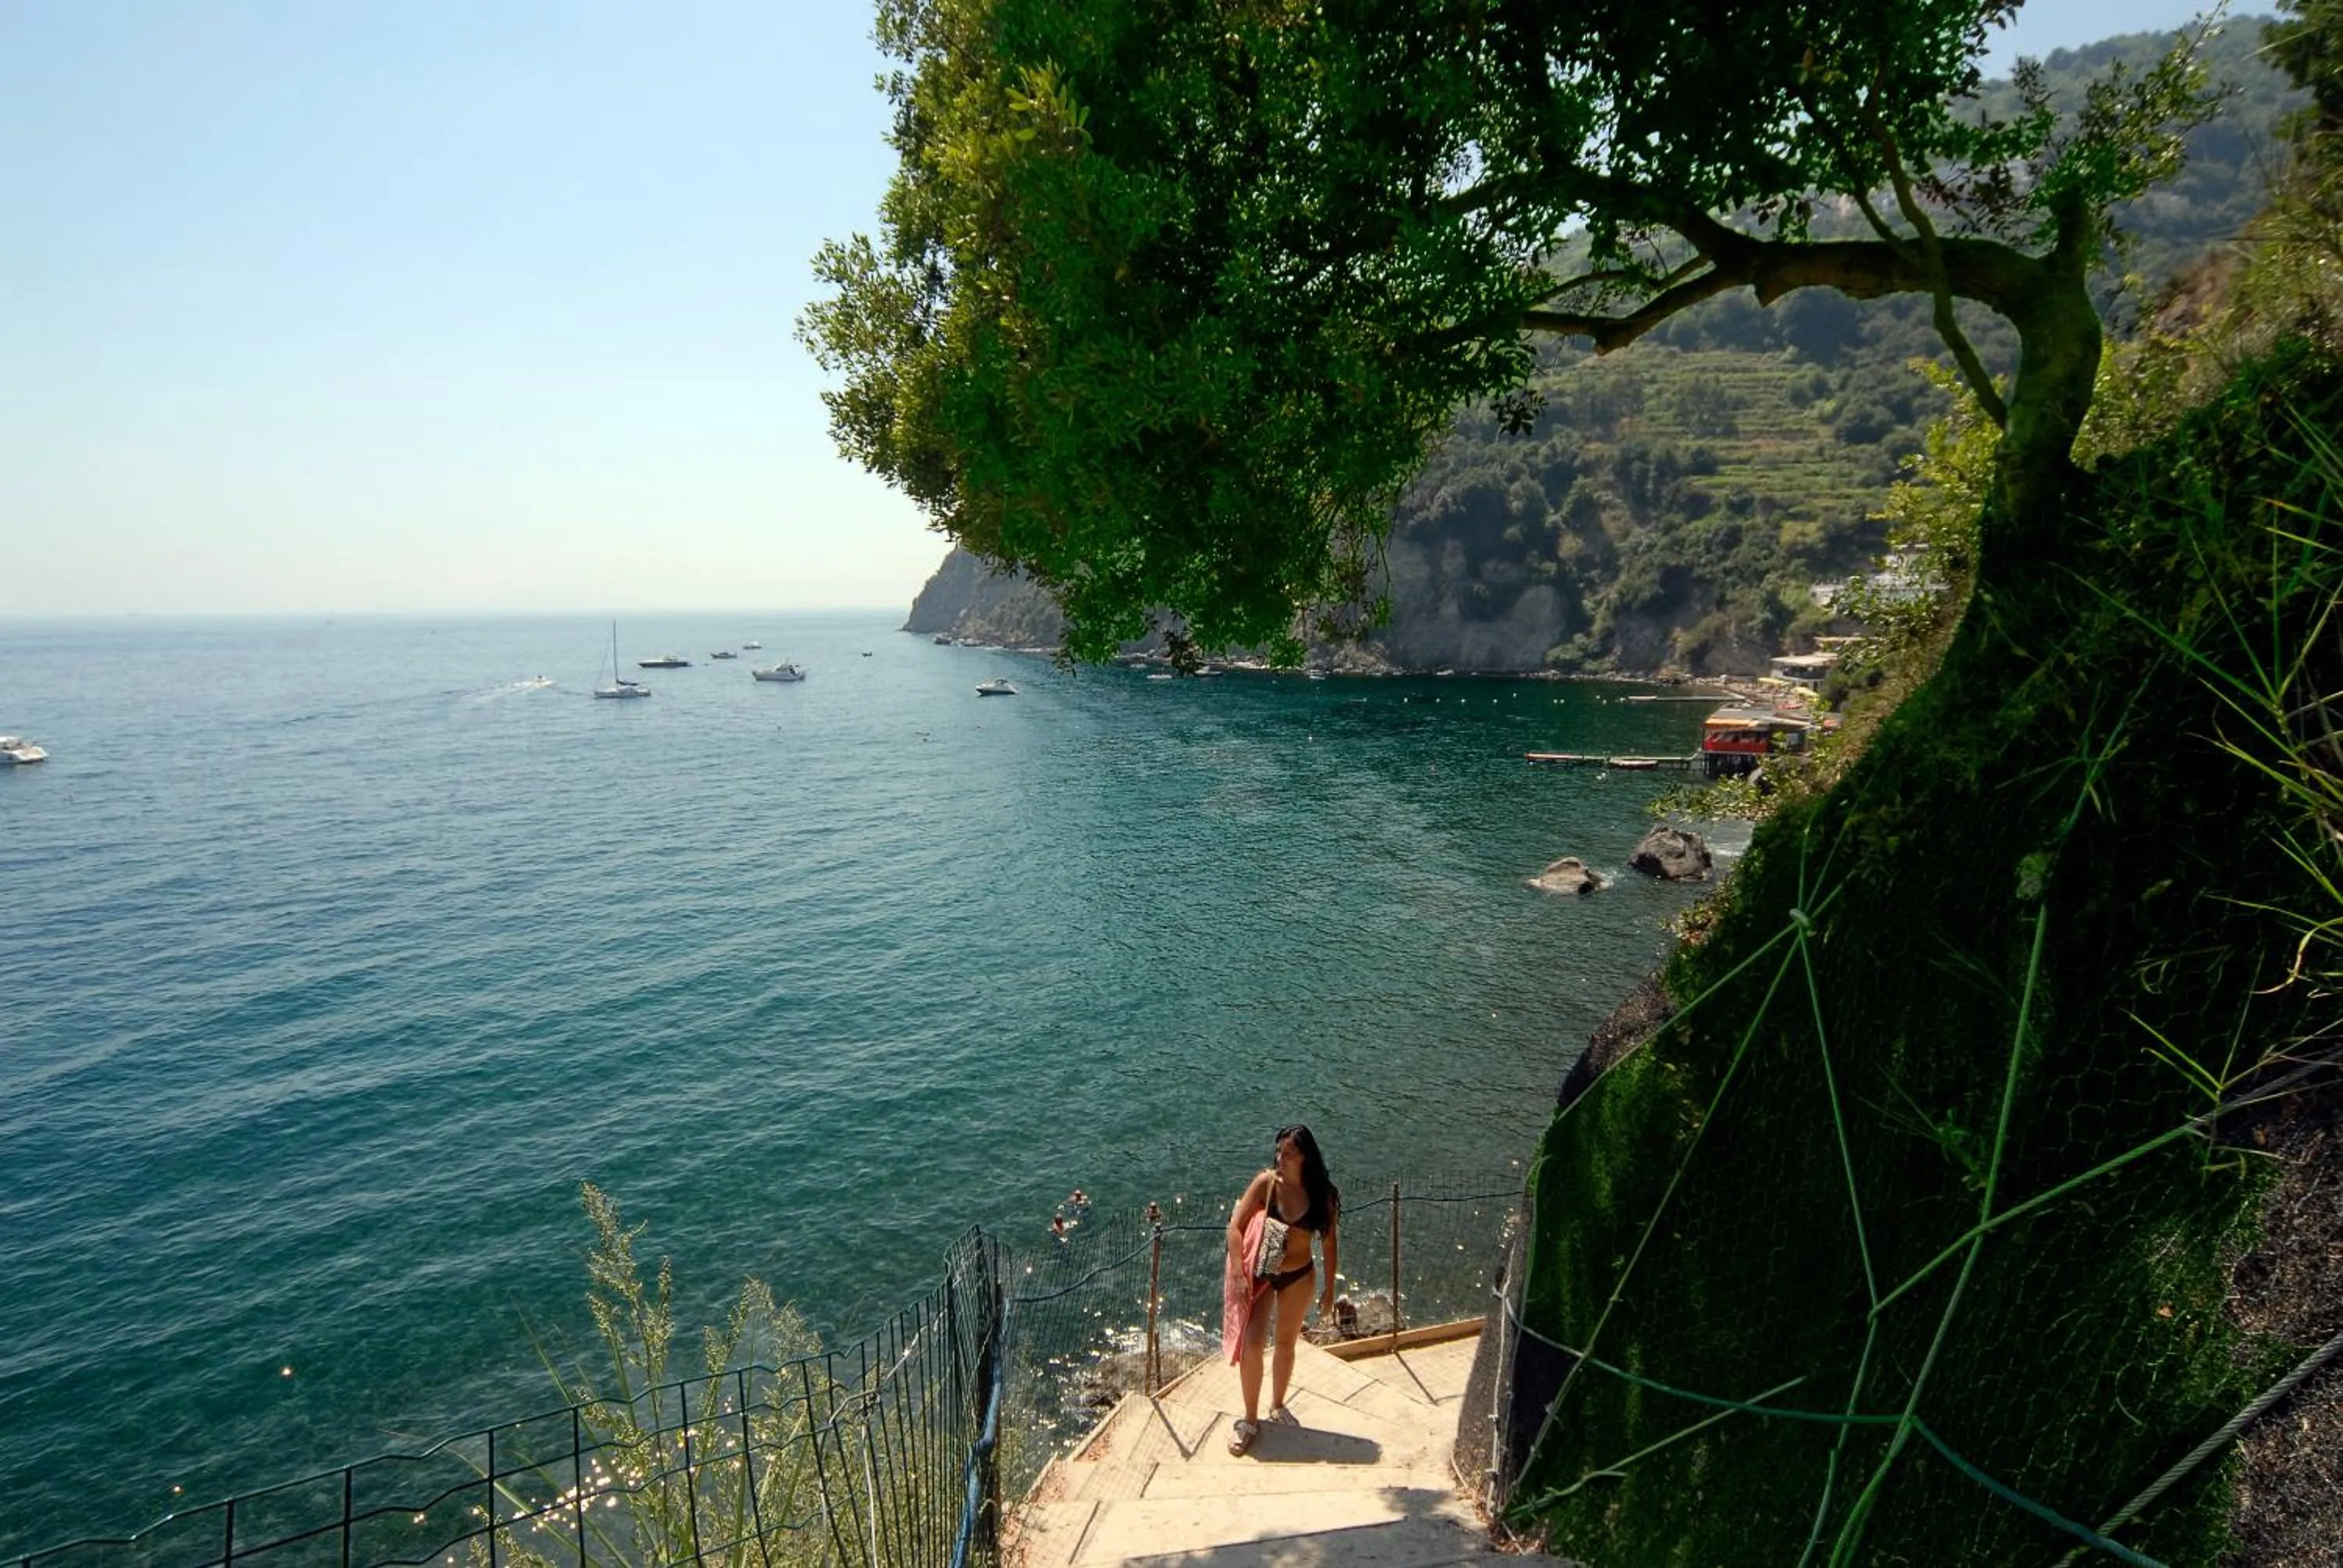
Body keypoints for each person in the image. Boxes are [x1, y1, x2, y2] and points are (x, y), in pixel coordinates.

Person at [1221, 1124, 1340, 1456]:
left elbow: (1329, 1244)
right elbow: (1234, 1227)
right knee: (1252, 1345)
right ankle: (1249, 1420)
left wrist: (1329, 1290)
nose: (1280, 1159)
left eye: (1289, 1154)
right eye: (1279, 1152)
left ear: (1306, 1157)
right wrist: (1238, 1277)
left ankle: (1277, 1404)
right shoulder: (1266, 1184)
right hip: (1264, 1275)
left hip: (1300, 1276)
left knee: (1286, 1344)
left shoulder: (1323, 1196)